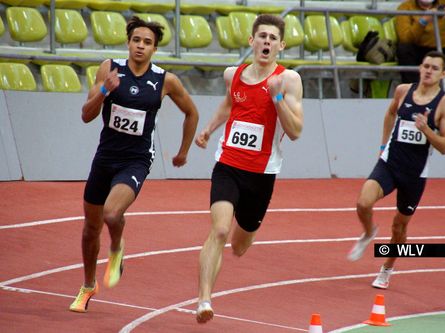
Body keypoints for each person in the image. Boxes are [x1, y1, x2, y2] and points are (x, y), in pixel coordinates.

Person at [69, 16, 199, 313]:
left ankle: (116, 249)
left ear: (155, 49)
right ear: (128, 43)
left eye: (147, 42)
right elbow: (86, 115)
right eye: (136, 40)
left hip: (136, 160)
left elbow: (191, 112)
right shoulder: (109, 68)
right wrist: (104, 90)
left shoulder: (166, 80)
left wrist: (183, 152)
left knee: (112, 214)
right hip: (105, 157)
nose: (141, 46)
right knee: (90, 229)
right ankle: (88, 286)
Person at [194, 14, 304, 323]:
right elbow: (229, 104)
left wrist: (277, 97)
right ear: (251, 41)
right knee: (218, 230)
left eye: (272, 38)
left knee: (240, 246)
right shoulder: (234, 74)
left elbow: (295, 131)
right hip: (228, 164)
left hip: (262, 175)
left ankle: (242, 237)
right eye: (262, 36)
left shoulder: (289, 80)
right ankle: (204, 299)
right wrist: (209, 129)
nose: (266, 42)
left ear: (280, 45)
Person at [347, 51, 445, 289]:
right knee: (363, 203)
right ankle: (368, 233)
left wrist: (427, 130)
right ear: (420, 67)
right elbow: (390, 113)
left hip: (414, 174)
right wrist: (382, 144)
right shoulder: (403, 90)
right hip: (389, 163)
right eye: (426, 66)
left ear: (443, 74)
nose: (428, 71)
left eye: (434, 68)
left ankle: (387, 269)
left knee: (399, 226)